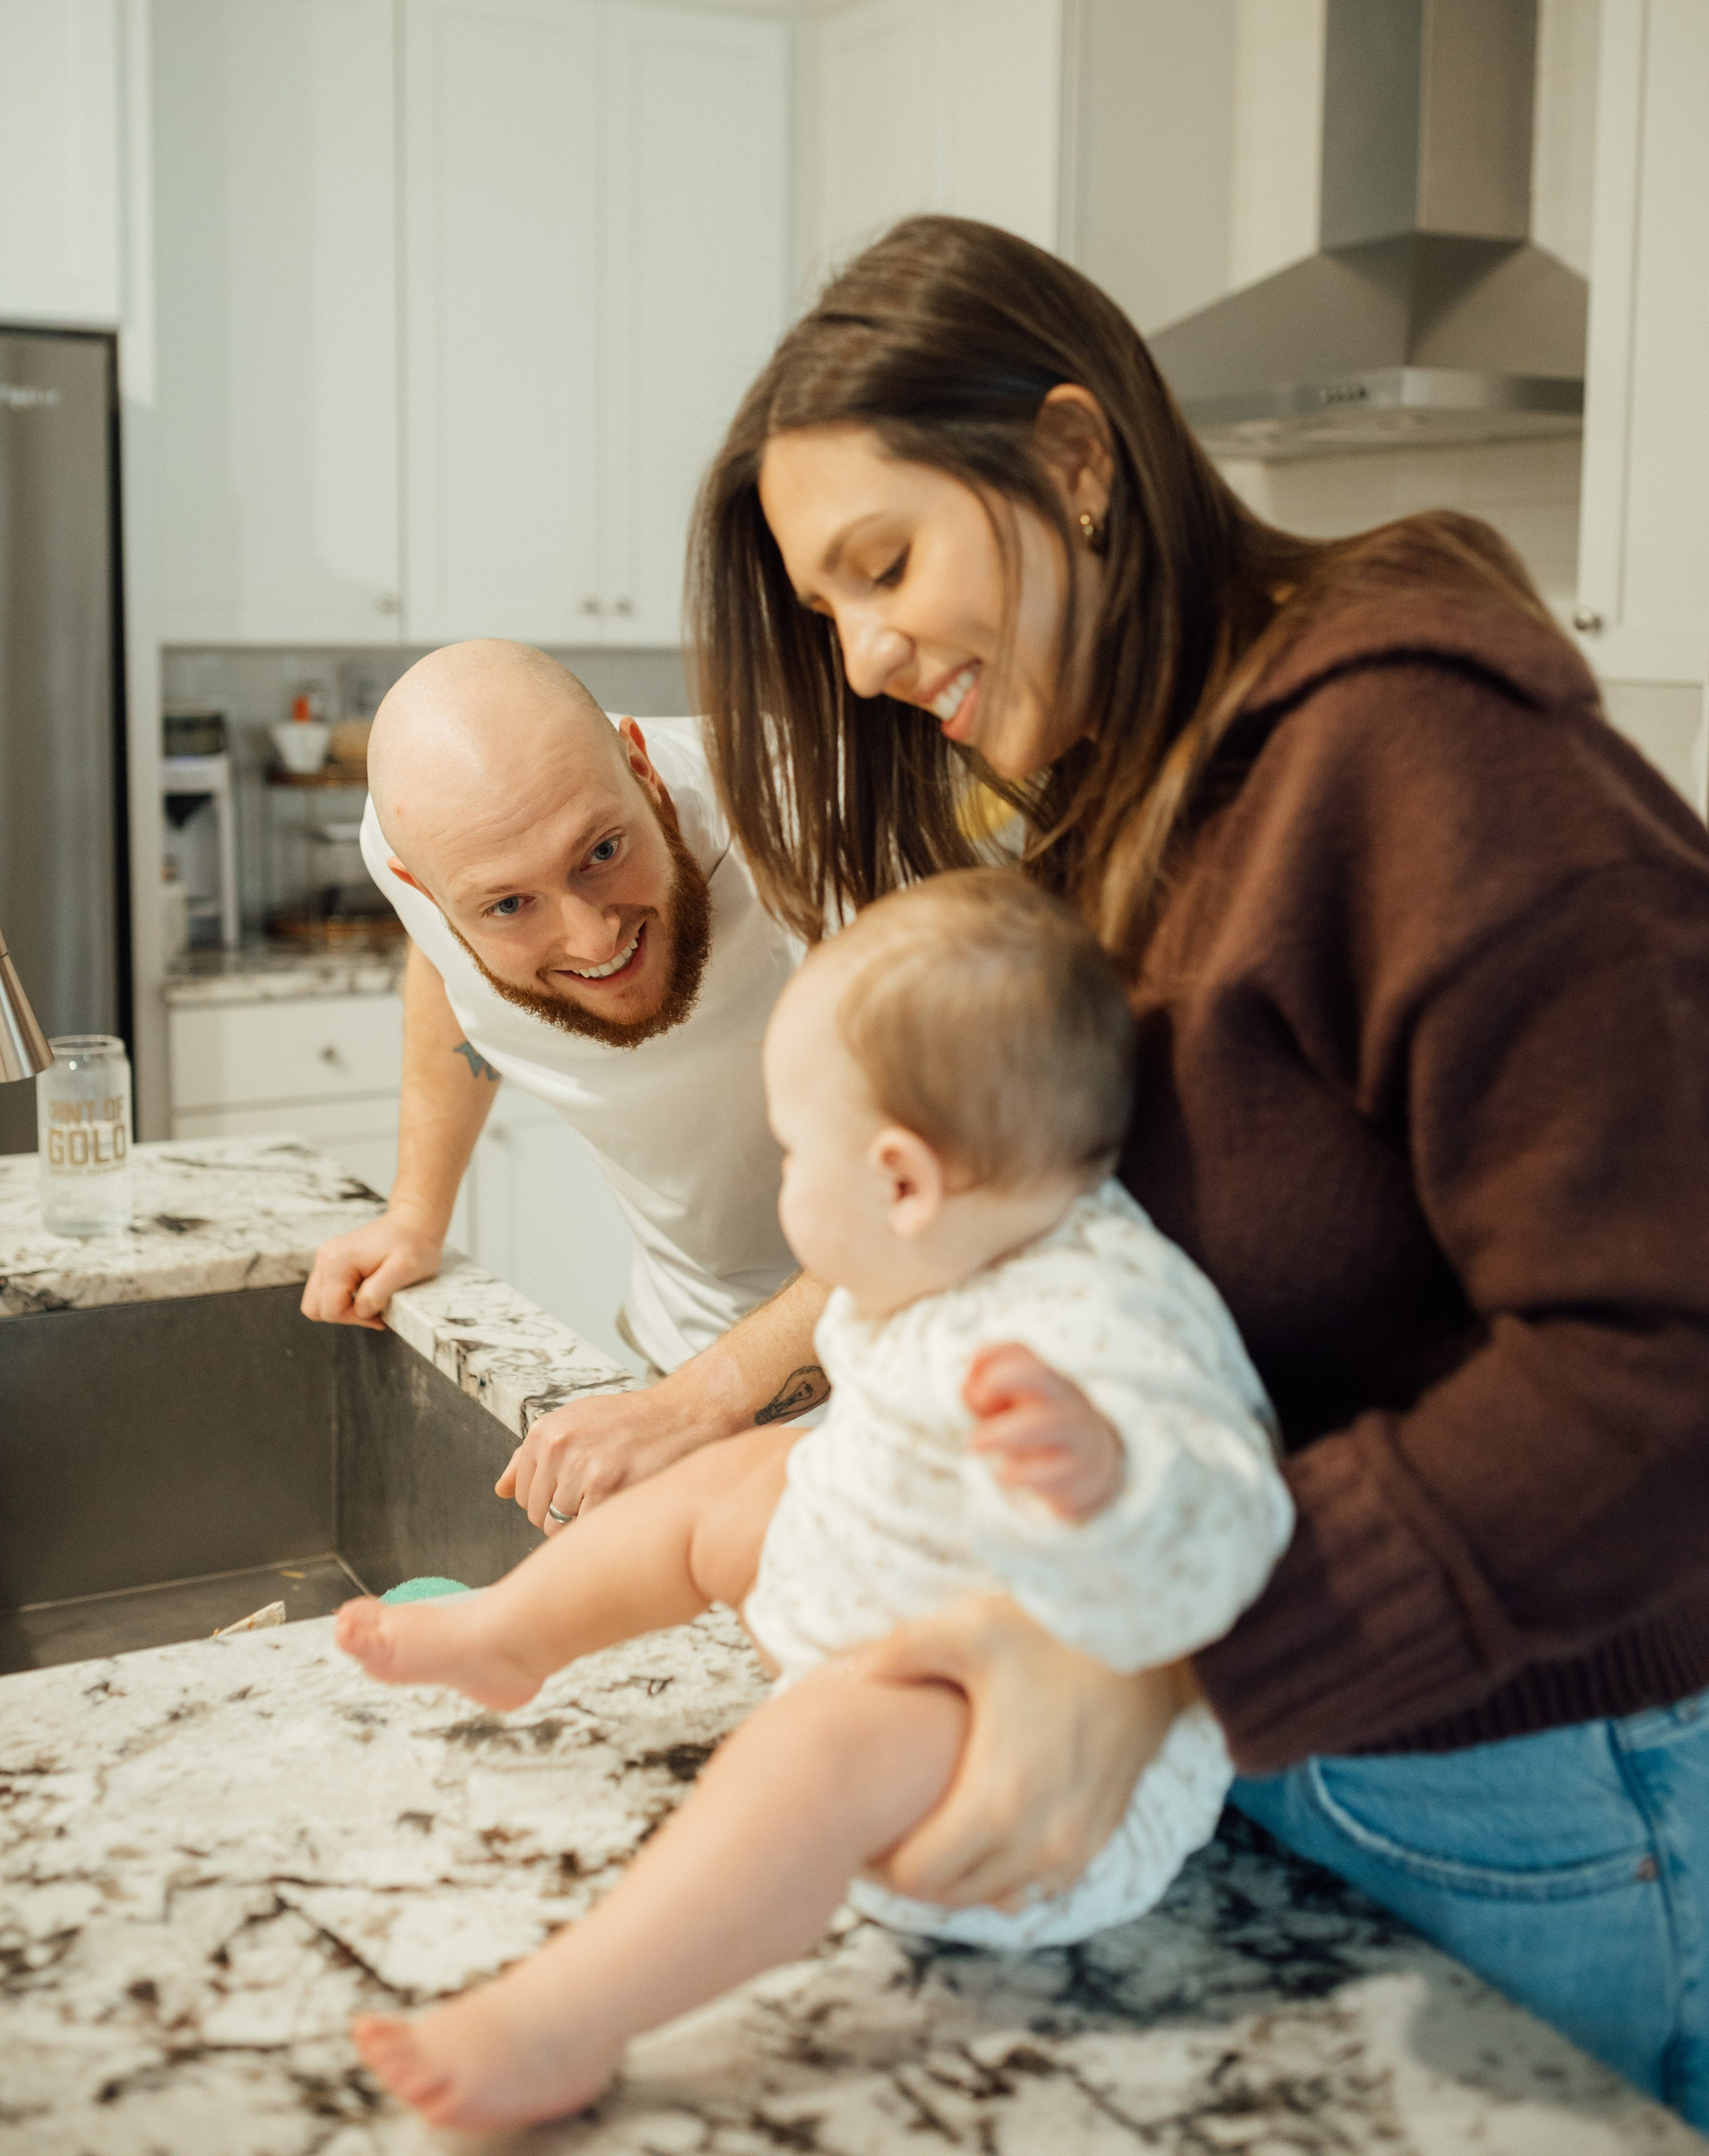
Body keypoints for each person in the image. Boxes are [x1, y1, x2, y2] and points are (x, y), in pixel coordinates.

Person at [684, 214, 1709, 2120]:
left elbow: (1658, 1360)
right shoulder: (1138, 805)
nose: (873, 655)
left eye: (883, 567)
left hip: (1546, 1791)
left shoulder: (1416, 758)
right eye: (828, 612)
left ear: (1075, 460)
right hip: (1300, 1759)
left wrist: (1184, 1666)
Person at [336, 870, 1292, 2131]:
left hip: (1012, 1761)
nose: (786, 1187)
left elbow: (1241, 1517)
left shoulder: (1102, 1323)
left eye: (795, 1154)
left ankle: (566, 2020)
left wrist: (1110, 1479)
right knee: (725, 1485)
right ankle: (512, 1635)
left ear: (901, 1182)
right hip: (889, 1597)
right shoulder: (963, 1236)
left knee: (810, 1753)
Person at [300, 642, 832, 1522]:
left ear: (643, 770)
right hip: (685, 1367)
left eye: (602, 852)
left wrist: (687, 1412)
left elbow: (958, 1202)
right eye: (509, 907)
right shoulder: (421, 842)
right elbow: (444, 971)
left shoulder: (820, 819)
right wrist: (415, 1211)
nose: (592, 940)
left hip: (920, 1387)